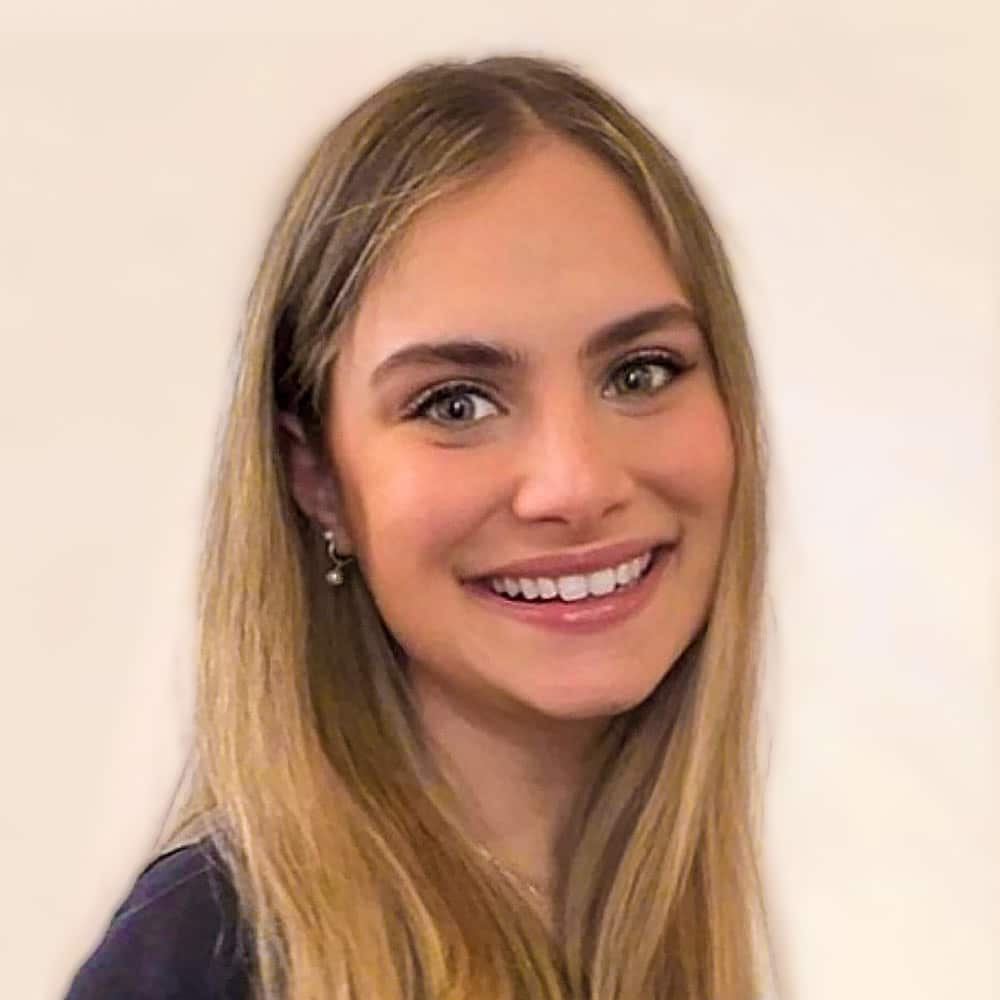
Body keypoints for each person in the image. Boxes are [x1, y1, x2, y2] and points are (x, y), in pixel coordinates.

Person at [65, 54, 772, 999]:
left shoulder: (643, 930)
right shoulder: (207, 963)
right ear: (315, 476)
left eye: (640, 373)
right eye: (454, 403)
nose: (575, 483)